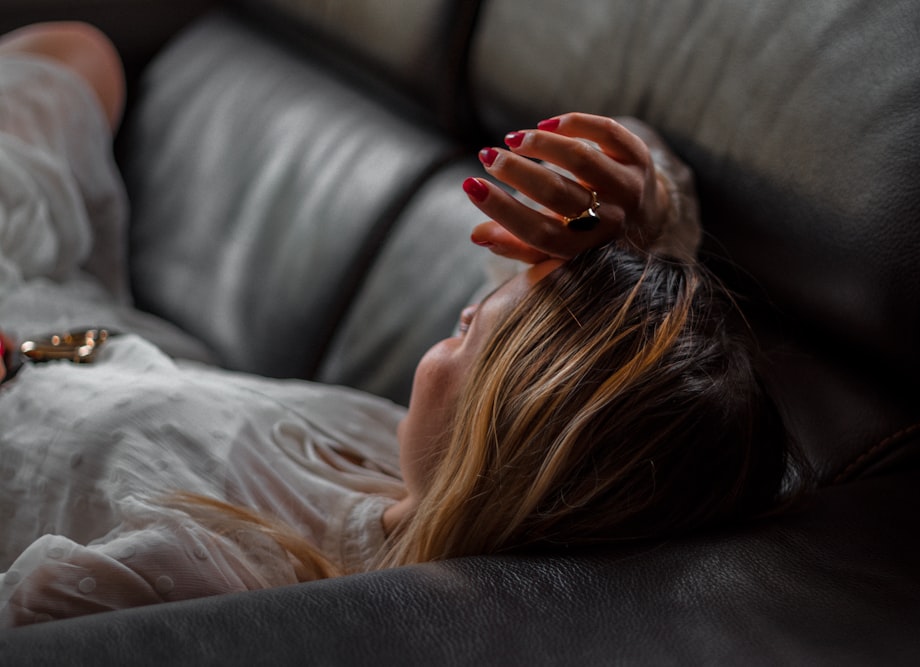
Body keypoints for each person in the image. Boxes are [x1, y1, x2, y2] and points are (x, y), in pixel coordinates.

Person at [0, 22, 789, 626]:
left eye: (477, 333)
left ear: (503, 444)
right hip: (72, 317)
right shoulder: (399, 457)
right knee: (79, 55)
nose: (479, 301)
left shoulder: (212, 583)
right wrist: (636, 211)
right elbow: (628, 360)